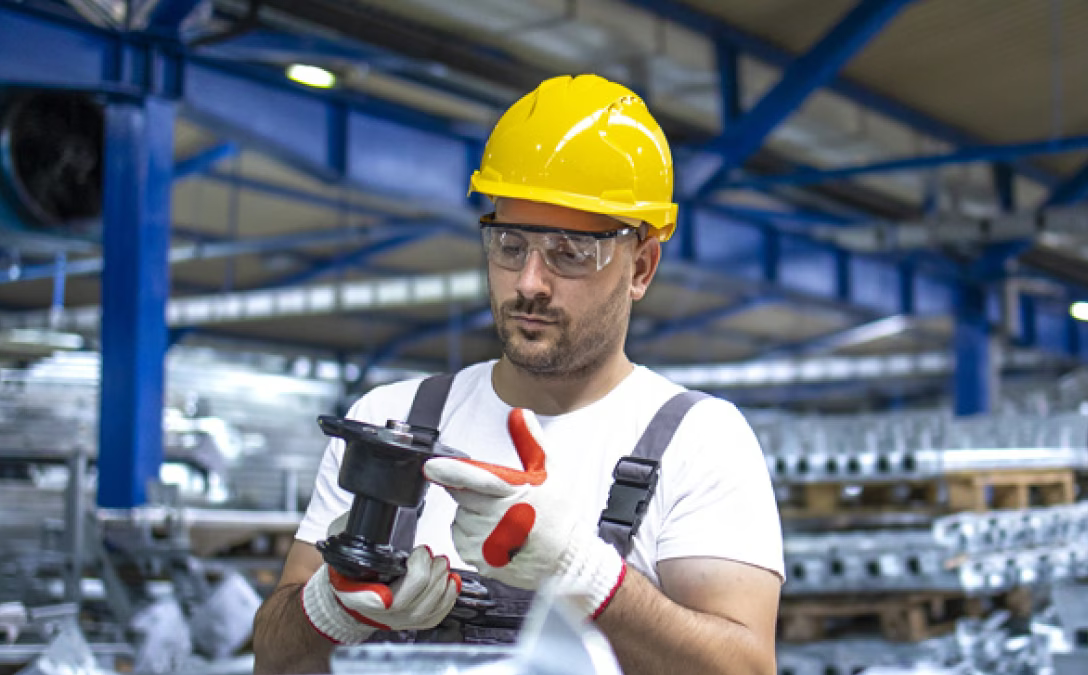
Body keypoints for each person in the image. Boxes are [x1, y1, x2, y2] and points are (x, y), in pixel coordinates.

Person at [251, 74, 784, 675]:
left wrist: (590, 577)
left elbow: (747, 670)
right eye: (509, 245)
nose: (529, 283)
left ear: (641, 267)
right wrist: (328, 608)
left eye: (570, 253)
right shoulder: (389, 421)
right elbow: (273, 660)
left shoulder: (699, 440)